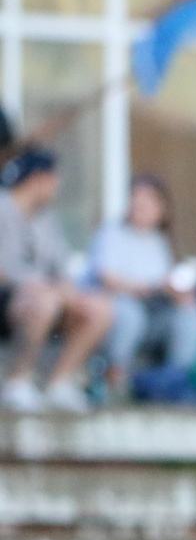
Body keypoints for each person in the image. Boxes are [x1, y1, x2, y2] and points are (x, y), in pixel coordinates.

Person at [0, 149, 113, 412]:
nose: (57, 186)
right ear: (37, 179)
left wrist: (71, 294)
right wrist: (42, 288)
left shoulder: (45, 218)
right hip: (10, 299)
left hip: (48, 297)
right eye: (54, 179)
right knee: (45, 301)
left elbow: (61, 269)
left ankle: (60, 383)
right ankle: (18, 381)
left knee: (99, 308)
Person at [88, 174, 196, 400]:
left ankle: (175, 379)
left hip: (152, 316)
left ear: (162, 208)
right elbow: (107, 279)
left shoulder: (160, 242)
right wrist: (153, 288)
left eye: (148, 201)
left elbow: (168, 283)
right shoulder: (112, 233)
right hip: (114, 314)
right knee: (130, 313)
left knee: (191, 311)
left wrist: (179, 294)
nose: (139, 206)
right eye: (136, 200)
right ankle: (114, 378)